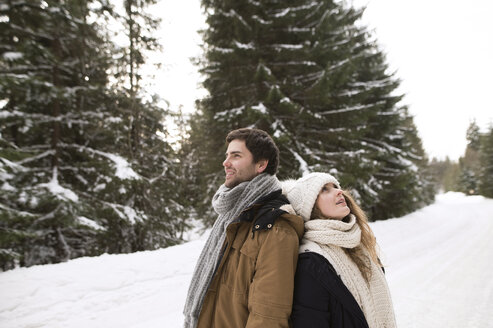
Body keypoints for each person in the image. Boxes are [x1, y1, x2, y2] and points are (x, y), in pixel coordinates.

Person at [183, 128, 304, 328]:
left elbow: (269, 316)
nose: (226, 162)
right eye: (227, 155)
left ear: (261, 164)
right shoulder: (232, 216)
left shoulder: (276, 228)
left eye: (236, 156)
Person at [282, 172, 397, 328]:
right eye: (324, 189)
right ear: (309, 207)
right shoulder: (311, 261)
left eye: (335, 186)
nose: (339, 191)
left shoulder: (359, 244)